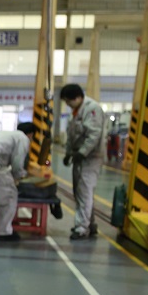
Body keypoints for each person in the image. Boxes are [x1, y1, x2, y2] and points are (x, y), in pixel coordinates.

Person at [60, 83, 105, 240]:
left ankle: (81, 228)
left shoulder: (92, 109)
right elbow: (71, 135)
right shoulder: (76, 111)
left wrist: (82, 152)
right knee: (80, 192)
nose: (67, 104)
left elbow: (94, 135)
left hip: (91, 157)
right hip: (79, 156)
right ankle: (89, 224)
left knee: (85, 191)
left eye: (68, 101)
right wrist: (68, 153)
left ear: (78, 97)